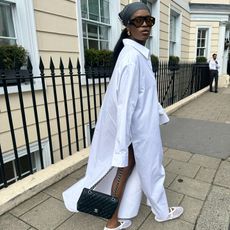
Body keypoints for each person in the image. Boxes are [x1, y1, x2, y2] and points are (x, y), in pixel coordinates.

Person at [63, 2, 183, 230]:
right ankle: (115, 221)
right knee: (140, 170)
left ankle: (124, 216)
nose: (145, 25)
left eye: (149, 20)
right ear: (128, 27)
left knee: (138, 171)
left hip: (140, 128)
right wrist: (122, 145)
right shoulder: (131, 58)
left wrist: (159, 114)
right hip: (135, 131)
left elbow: (145, 94)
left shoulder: (138, 55)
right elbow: (125, 105)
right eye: (138, 21)